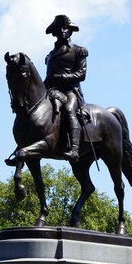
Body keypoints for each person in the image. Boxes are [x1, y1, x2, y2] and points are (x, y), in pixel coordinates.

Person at [43, 14, 88, 162]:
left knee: (69, 110)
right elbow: (48, 77)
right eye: (59, 29)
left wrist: (61, 78)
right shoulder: (50, 55)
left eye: (65, 28)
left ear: (70, 31)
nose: (62, 31)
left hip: (70, 91)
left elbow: (81, 74)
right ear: (54, 32)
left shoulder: (78, 51)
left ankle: (74, 149)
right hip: (52, 92)